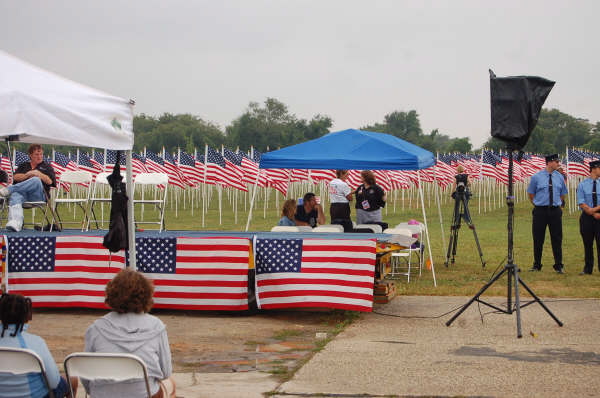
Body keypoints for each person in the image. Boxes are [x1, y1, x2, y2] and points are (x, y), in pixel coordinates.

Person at [84, 269, 176, 398]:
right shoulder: (156, 326)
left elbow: (86, 375)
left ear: (111, 293)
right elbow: (165, 372)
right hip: (144, 394)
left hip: (102, 394)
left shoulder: (95, 328)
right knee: (170, 383)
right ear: (147, 295)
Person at [0, 293, 76, 398]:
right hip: (35, 395)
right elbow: (53, 382)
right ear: (26, 316)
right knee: (73, 380)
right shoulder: (36, 343)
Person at [527, 154, 568, 274]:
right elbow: (531, 193)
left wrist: (558, 204)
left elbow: (562, 193)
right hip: (540, 211)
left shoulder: (560, 177)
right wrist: (537, 203)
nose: (558, 163)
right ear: (549, 162)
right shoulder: (536, 177)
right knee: (538, 238)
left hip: (555, 210)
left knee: (557, 238)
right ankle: (537, 264)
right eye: (556, 161)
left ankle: (559, 265)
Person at [0, 144, 56, 232]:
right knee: (15, 195)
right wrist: (27, 174)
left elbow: (50, 182)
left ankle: (9, 189)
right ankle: (15, 223)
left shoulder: (47, 167)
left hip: (39, 195)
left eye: (41, 154)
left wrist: (38, 173)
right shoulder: (23, 165)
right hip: (23, 195)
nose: (39, 156)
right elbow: (15, 177)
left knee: (36, 180)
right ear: (30, 155)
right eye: (36, 154)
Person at [576, 160, 600, 275]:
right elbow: (581, 202)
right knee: (588, 243)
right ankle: (588, 268)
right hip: (586, 218)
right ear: (594, 169)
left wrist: (594, 211)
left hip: (599, 216)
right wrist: (591, 212)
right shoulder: (582, 185)